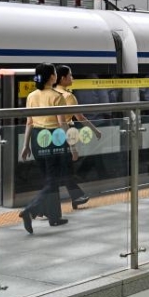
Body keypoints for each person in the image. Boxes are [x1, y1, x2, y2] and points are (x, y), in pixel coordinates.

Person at [19, 63, 70, 234]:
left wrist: (25, 145)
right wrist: (71, 143)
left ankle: (54, 217)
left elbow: (29, 122)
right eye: (55, 73)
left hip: (36, 138)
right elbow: (62, 123)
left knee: (49, 179)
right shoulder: (57, 96)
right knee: (53, 179)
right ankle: (31, 210)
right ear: (52, 77)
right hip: (53, 137)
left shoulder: (32, 96)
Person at [53, 65, 98, 209]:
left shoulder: (50, 93)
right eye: (70, 75)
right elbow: (80, 117)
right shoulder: (68, 96)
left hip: (49, 134)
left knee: (57, 171)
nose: (73, 78)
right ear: (63, 78)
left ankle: (74, 197)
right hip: (64, 134)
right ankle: (75, 196)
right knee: (65, 169)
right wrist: (94, 130)